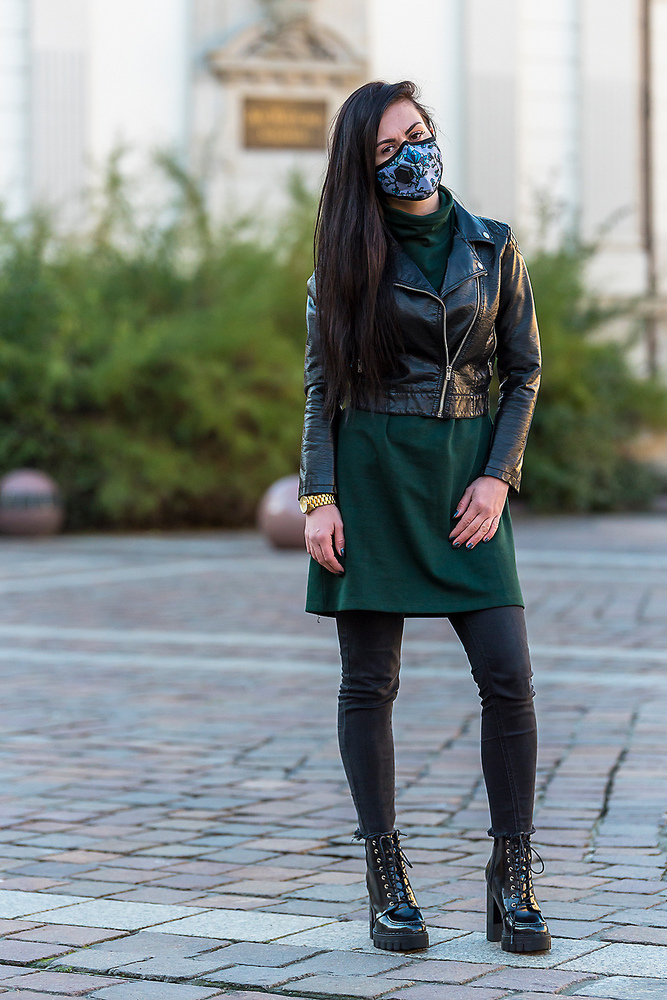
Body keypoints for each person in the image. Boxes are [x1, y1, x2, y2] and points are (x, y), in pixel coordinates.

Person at [298, 80, 550, 955]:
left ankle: (511, 877)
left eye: (417, 133)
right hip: (371, 478)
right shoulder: (343, 261)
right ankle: (386, 880)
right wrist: (319, 498)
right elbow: (321, 390)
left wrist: (496, 478)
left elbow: (523, 372)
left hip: (465, 483)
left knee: (508, 677)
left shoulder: (492, 246)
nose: (411, 154)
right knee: (368, 685)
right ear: (363, 170)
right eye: (386, 149)